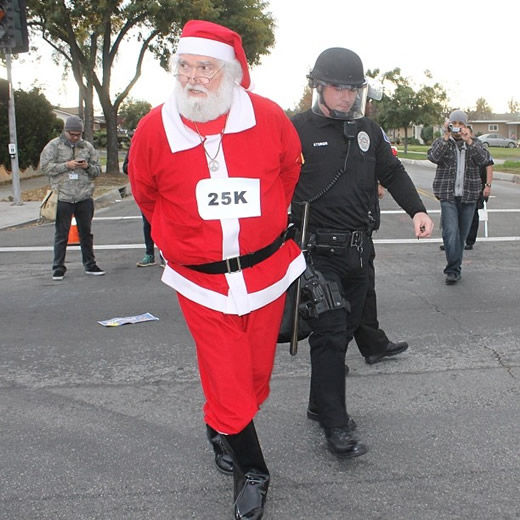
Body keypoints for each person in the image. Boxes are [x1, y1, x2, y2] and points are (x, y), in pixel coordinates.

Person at [128, 20, 305, 520]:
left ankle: (221, 423)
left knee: (254, 375)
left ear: (228, 72)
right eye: (184, 66)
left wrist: (265, 224)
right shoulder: (153, 128)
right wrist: (176, 237)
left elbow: (290, 171)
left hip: (267, 272)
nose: (193, 78)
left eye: (205, 67)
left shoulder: (267, 117)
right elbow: (145, 193)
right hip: (200, 281)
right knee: (227, 376)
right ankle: (253, 471)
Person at [290, 47, 433, 459]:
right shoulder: (296, 128)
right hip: (317, 251)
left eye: (353, 89)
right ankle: (336, 425)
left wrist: (418, 210)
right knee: (331, 331)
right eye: (338, 88)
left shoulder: (368, 129)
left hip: (359, 250)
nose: (346, 97)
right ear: (318, 86)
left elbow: (391, 171)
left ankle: (321, 402)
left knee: (347, 326)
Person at [428, 110, 491, 284]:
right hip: (447, 195)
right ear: (449, 124)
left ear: (466, 126)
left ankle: (455, 266)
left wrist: (469, 141)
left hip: (469, 195)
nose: (457, 127)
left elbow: (484, 160)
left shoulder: (475, 143)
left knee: (461, 236)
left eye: (460, 124)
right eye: (453, 123)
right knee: (450, 233)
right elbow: (433, 157)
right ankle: (453, 270)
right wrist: (445, 137)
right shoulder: (444, 142)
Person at [40, 115, 105, 281]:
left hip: (84, 196)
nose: (75, 137)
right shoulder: (54, 146)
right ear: (65, 131)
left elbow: (97, 170)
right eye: (72, 134)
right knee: (61, 234)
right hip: (63, 196)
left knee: (86, 233)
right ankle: (58, 267)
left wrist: (87, 166)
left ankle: (90, 264)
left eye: (78, 134)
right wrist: (66, 165)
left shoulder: (87, 147)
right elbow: (46, 167)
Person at [353, 183, 409, 364]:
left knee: (365, 293)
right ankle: (330, 356)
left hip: (361, 232)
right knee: (346, 296)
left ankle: (374, 345)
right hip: (346, 233)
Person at [122, 149, 163, 267]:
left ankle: (164, 255)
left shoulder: (158, 146)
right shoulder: (134, 148)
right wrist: (136, 164)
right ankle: (149, 254)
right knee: (147, 224)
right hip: (145, 192)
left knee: (163, 224)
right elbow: (125, 167)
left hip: (161, 191)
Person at [465, 160, 493, 250]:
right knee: (452, 214)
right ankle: (450, 241)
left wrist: (488, 186)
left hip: (476, 185)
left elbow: (489, 166)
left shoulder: (481, 149)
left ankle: (469, 241)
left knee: (472, 214)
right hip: (458, 185)